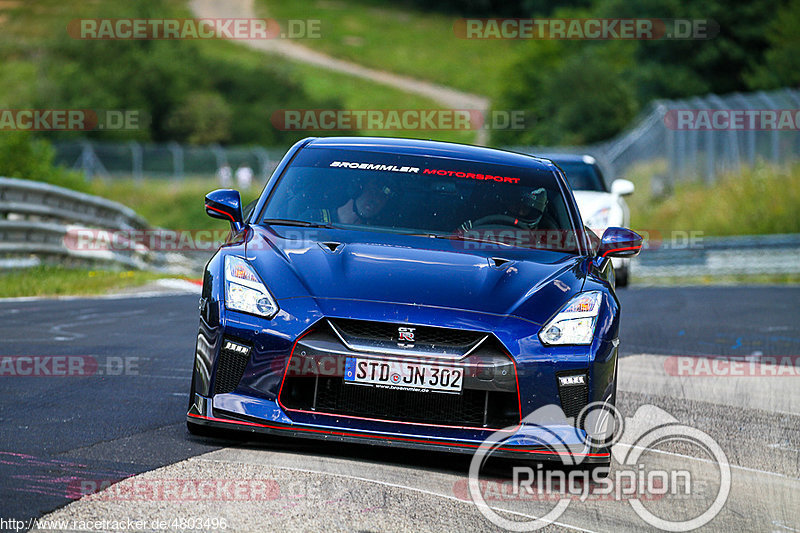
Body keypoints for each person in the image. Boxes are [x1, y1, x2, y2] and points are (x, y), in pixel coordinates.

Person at [307, 177, 395, 225]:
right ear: (356, 190)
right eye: (372, 192)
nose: (376, 200)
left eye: (382, 198)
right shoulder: (313, 218)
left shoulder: (375, 234)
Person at [461, 187, 550, 231]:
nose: (520, 211)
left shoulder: (547, 238)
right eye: (516, 206)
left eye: (525, 209)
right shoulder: (472, 226)